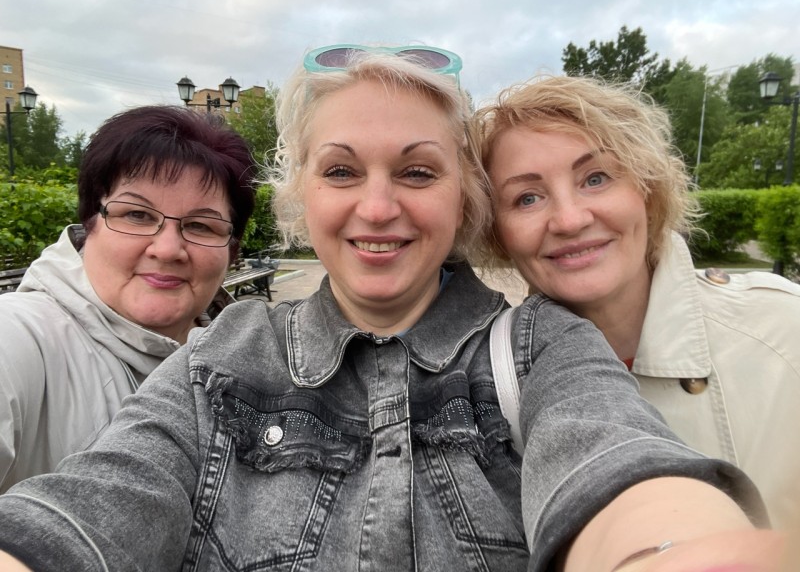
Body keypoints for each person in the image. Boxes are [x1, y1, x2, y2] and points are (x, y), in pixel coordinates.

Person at [0, 46, 784, 572]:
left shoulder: (541, 347)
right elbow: (92, 506)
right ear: (301, 197)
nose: (377, 208)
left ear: (464, 199)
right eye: (342, 172)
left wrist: (671, 548)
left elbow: (617, 470)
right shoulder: (221, 358)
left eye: (416, 172)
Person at [475, 74, 800, 529]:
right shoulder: (482, 384)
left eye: (595, 178)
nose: (569, 219)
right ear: (498, 233)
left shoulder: (784, 332)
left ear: (648, 189)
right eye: (527, 198)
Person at [0, 105, 256, 491]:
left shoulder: (248, 357)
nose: (167, 249)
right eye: (137, 215)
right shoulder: (21, 337)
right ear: (90, 224)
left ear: (231, 250)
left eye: (201, 225)